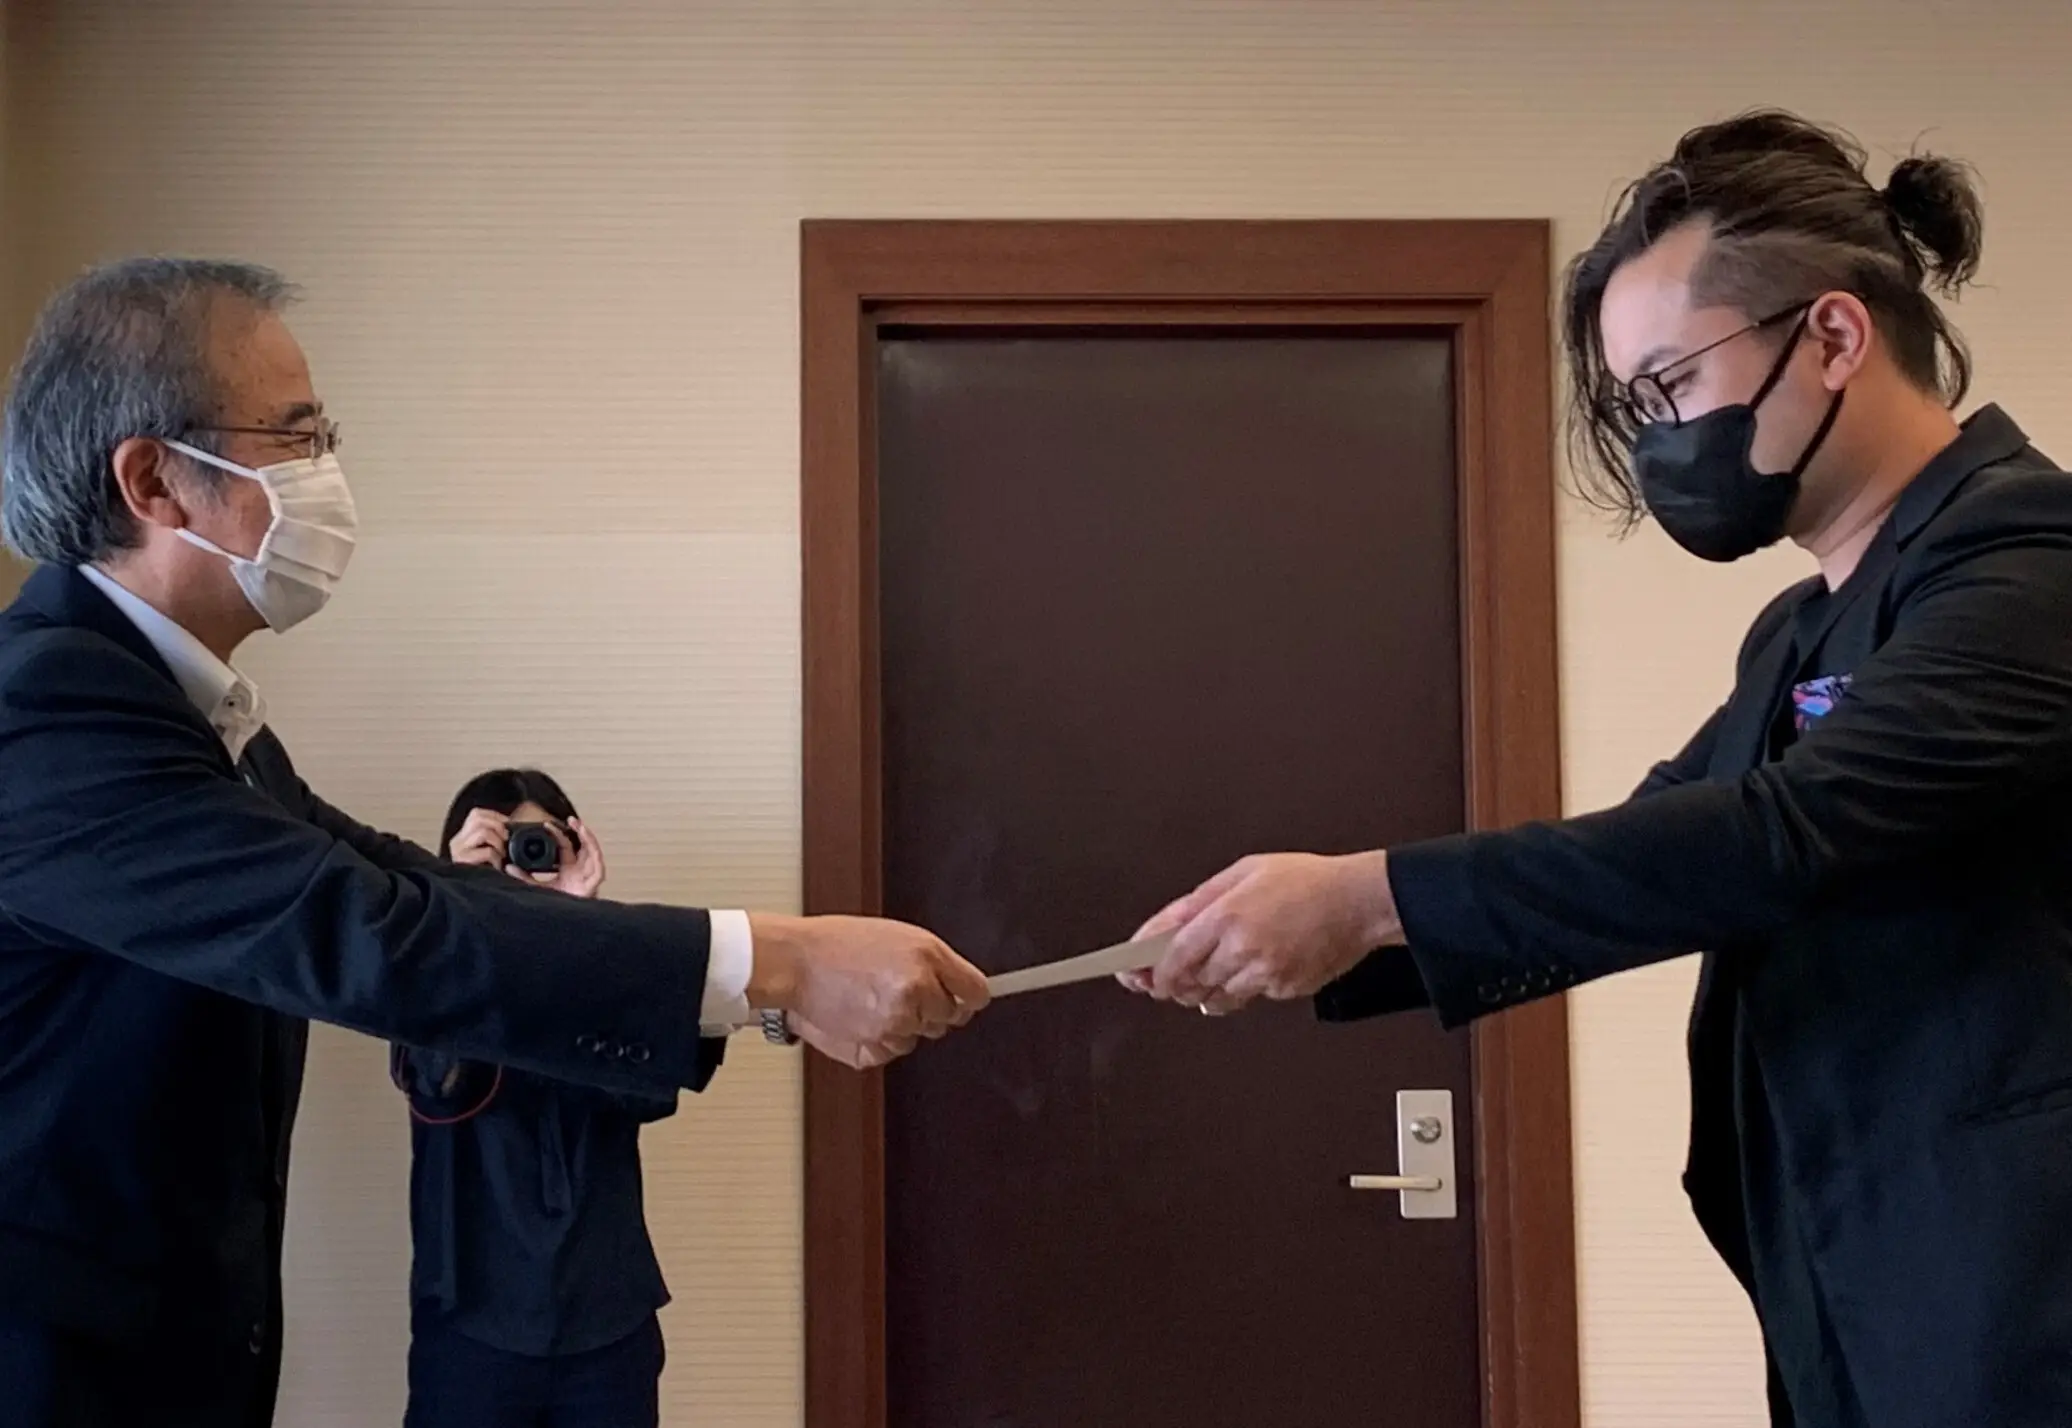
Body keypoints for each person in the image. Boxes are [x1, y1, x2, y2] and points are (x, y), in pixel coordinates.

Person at [1126, 111, 2072, 1428]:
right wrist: (1326, 937)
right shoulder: (1796, 630)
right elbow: (1659, 842)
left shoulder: (2025, 555)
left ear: (1833, 337)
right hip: (1854, 1273)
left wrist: (1368, 897)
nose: (1658, 439)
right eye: (1638, 407)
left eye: (1671, 384)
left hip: (2016, 1289)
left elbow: (1783, 835)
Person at [0, 257, 989, 1428]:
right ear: (155, 480)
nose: (327, 472)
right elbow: (373, 936)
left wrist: (770, 974)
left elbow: (400, 878)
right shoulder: (49, 708)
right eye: (297, 437)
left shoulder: (205, 727)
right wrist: (776, 960)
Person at [393, 769, 678, 1428]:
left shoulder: (609, 963)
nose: (526, 860)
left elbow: (646, 1092)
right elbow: (435, 1085)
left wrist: (581, 927)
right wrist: (459, 907)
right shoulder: (427, 970)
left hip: (607, 1317)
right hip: (471, 1317)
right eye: (506, 847)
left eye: (540, 844)